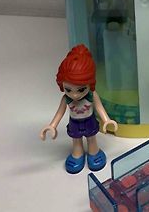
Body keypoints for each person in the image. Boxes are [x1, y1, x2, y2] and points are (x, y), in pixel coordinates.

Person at [40, 44, 118, 174]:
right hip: (74, 122)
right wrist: (52, 125)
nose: (75, 95)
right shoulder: (66, 99)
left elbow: (99, 107)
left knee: (91, 138)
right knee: (76, 140)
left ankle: (94, 153)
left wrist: (106, 120)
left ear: (90, 84)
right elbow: (60, 112)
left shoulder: (92, 95)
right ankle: (77, 155)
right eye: (68, 89)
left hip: (89, 120)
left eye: (81, 90)